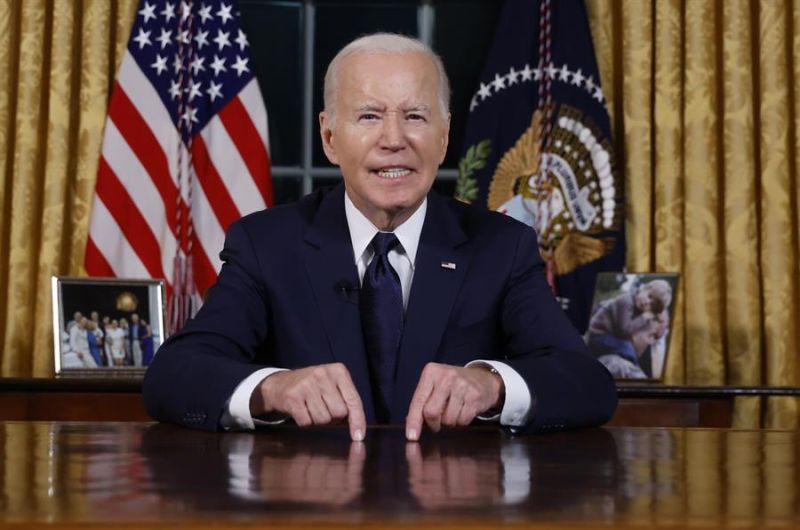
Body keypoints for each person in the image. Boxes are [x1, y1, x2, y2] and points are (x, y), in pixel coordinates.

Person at [143, 33, 617, 440]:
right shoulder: (267, 244)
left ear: (444, 136)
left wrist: (491, 383)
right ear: (330, 138)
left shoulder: (501, 245)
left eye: (415, 116)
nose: (394, 138)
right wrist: (272, 389)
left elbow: (587, 383)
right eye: (369, 116)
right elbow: (174, 375)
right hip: (309, 508)